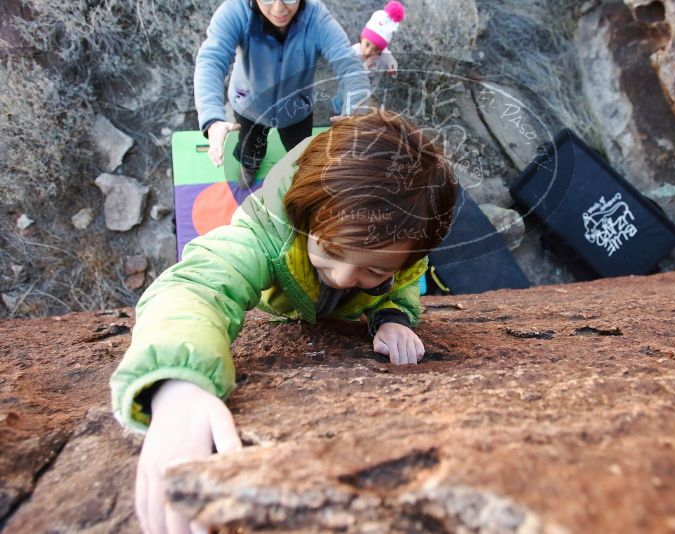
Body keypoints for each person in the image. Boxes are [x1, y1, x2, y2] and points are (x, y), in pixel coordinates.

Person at [110, 110, 458, 533]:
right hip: (280, 307)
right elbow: (195, 286)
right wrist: (177, 384)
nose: (347, 278)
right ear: (307, 213)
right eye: (331, 249)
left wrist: (392, 314)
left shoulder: (405, 248)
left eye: (374, 270)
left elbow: (406, 278)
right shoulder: (263, 233)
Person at [195, 0, 371, 186]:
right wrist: (212, 119)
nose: (278, 8)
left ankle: (299, 174)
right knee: (250, 149)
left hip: (296, 111)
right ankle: (249, 167)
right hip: (250, 109)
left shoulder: (316, 19)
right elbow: (211, 60)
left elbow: (350, 66)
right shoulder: (236, 12)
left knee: (301, 154)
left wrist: (356, 116)